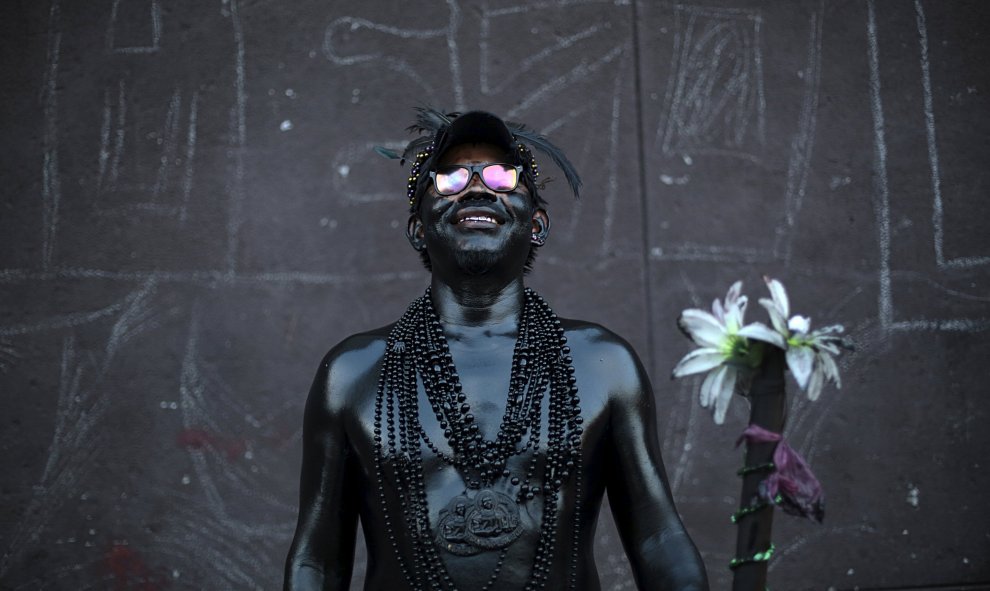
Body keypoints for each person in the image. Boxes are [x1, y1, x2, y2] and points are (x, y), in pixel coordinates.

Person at [284, 109, 709, 591]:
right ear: (418, 229)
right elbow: (317, 561)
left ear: (537, 224)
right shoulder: (352, 373)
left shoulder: (603, 363)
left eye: (502, 176)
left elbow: (658, 539)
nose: (478, 187)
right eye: (449, 179)